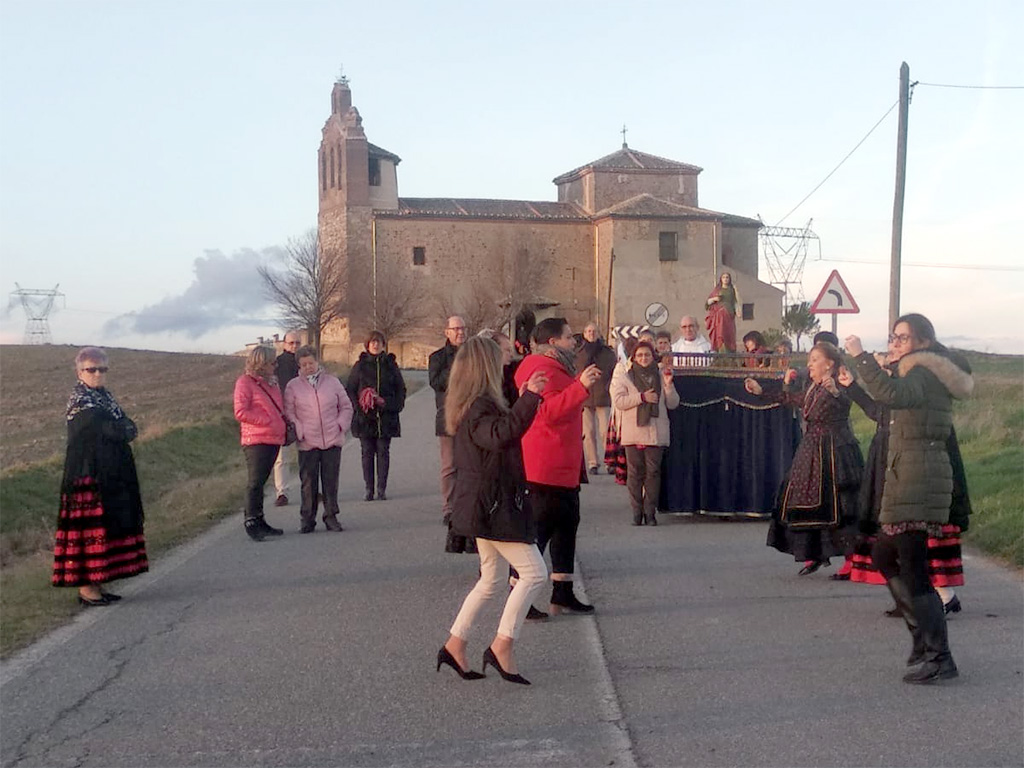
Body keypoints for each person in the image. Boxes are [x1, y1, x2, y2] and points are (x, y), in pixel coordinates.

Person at [845, 314, 973, 684]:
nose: (895, 343)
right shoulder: (917, 371)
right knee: (885, 554)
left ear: (924, 343)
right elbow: (885, 402)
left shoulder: (922, 373)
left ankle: (939, 655)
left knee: (914, 566)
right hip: (910, 473)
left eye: (903, 338)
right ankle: (922, 640)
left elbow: (891, 396)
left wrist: (862, 358)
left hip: (920, 476)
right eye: (894, 336)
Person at [438, 337, 549, 684]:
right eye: (499, 357)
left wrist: (526, 395)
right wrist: (530, 397)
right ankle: (502, 645)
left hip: (486, 503)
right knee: (534, 573)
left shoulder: (480, 403)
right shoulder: (477, 407)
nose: (506, 360)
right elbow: (501, 434)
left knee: (492, 579)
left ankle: (455, 643)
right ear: (483, 366)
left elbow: (505, 427)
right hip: (491, 506)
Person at [838, 348, 970, 613]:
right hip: (896, 465)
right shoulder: (903, 388)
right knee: (896, 542)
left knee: (917, 537)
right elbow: (879, 412)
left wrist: (871, 367)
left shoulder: (919, 386)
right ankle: (921, 601)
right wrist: (852, 387)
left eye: (898, 343)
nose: (890, 352)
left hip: (918, 472)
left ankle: (937, 603)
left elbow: (892, 401)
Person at [744, 342, 863, 575]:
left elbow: (846, 402)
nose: (809, 364)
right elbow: (793, 400)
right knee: (802, 499)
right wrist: (761, 392)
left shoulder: (840, 382)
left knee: (840, 503)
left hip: (834, 449)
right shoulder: (813, 387)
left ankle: (852, 558)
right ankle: (814, 551)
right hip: (810, 449)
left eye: (815, 359)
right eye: (810, 360)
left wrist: (836, 392)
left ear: (829, 364)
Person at [514, 317, 603, 614]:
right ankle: (520, 596)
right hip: (545, 463)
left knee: (566, 527)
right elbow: (549, 413)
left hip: (562, 462)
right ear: (552, 342)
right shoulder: (539, 368)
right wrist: (581, 387)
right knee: (539, 532)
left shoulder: (558, 367)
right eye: (568, 337)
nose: (574, 342)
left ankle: (562, 592)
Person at [52, 347, 149, 605]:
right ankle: (87, 589)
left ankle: (99, 583)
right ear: (79, 371)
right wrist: (122, 428)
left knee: (107, 527)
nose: (97, 374)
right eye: (91, 369)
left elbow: (129, 427)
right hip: (87, 477)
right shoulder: (81, 401)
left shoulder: (104, 397)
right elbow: (114, 430)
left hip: (110, 474)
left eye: (102, 369)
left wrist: (123, 428)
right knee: (89, 532)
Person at [284, 345, 354, 533]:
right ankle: (307, 519)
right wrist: (300, 429)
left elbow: (346, 406)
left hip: (332, 439)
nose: (308, 367)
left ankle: (331, 516)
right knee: (308, 482)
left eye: (311, 363)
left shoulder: (333, 382)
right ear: (299, 365)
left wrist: (341, 425)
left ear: (317, 362)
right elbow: (289, 412)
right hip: (308, 441)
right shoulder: (293, 386)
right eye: (304, 364)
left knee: (330, 481)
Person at [610, 341, 680, 525]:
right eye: (640, 355)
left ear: (653, 357)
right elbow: (619, 401)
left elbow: (673, 403)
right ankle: (636, 511)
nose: (643, 358)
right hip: (634, 431)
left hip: (656, 431)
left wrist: (668, 386)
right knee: (635, 474)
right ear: (634, 357)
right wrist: (641, 397)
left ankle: (650, 512)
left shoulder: (661, 376)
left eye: (647, 355)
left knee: (653, 473)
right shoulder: (626, 377)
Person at [233, 346, 287, 542]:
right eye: (273, 363)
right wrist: (266, 420)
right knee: (255, 483)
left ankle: (260, 519)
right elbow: (240, 412)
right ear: (261, 363)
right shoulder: (245, 382)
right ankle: (251, 522)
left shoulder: (272, 383)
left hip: (273, 437)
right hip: (256, 439)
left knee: (262, 482)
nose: (276, 366)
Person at [347, 331, 407, 502]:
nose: (375, 345)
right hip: (365, 418)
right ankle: (368, 489)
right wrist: (359, 407)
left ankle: (381, 489)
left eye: (378, 342)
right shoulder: (360, 366)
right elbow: (350, 389)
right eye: (372, 342)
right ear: (367, 345)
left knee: (383, 452)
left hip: (386, 417)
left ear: (383, 344)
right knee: (366, 452)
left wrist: (386, 403)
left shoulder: (391, 365)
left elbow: (400, 390)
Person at [429, 316, 467, 523]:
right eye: (456, 329)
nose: (460, 332)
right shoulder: (438, 357)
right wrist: (458, 365)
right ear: (447, 332)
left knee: (469, 463)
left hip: (472, 416)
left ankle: (466, 503)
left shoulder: (473, 353)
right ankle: (449, 508)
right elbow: (435, 382)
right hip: (448, 417)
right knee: (450, 464)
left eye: (463, 328)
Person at [575, 322, 616, 476]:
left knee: (605, 430)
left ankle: (609, 462)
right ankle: (593, 462)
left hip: (603, 395)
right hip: (584, 396)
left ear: (599, 334)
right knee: (589, 431)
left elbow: (614, 372)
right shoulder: (578, 353)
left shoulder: (608, 353)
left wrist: (609, 388)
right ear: (585, 334)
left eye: (594, 331)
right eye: (589, 331)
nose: (591, 334)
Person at [272, 331, 301, 507]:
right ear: (284, 344)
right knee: (281, 458)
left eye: (297, 343)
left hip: (304, 413)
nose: (294, 346)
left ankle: (311, 489)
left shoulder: (305, 362)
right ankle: (282, 492)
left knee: (308, 454)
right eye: (291, 343)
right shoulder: (277, 364)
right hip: (282, 414)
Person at [705, 272, 740, 352]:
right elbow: (707, 303)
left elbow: (736, 302)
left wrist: (738, 310)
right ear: (721, 279)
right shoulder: (717, 290)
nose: (725, 279)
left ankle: (729, 351)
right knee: (719, 334)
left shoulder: (732, 290)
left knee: (729, 334)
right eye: (724, 277)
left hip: (729, 315)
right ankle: (719, 349)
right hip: (719, 317)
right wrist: (714, 299)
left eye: (727, 277)